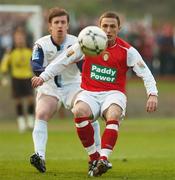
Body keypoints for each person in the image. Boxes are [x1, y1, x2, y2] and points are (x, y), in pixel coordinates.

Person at [32, 11, 158, 177]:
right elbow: (62, 61)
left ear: (118, 28)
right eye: (105, 26)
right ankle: (94, 157)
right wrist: (43, 77)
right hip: (89, 92)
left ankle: (104, 158)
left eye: (112, 26)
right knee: (78, 111)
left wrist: (152, 94)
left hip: (114, 93)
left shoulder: (127, 50)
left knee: (113, 113)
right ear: (99, 27)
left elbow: (145, 73)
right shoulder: (86, 44)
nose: (108, 29)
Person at [30, 7, 101, 173]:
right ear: (50, 26)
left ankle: (97, 157)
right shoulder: (41, 44)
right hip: (50, 88)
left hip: (73, 86)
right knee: (41, 114)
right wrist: (47, 73)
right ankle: (39, 156)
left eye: (63, 22)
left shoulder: (77, 42)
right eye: (56, 22)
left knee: (87, 112)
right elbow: (35, 65)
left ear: (68, 25)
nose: (60, 25)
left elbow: (83, 66)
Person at [0, 27, 35, 133]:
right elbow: (4, 64)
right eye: (17, 38)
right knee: (18, 101)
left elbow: (36, 62)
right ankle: (21, 123)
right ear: (14, 39)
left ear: (24, 38)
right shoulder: (11, 51)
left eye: (21, 37)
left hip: (28, 77)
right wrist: (4, 73)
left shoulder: (30, 50)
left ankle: (30, 121)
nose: (19, 40)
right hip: (16, 78)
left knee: (30, 99)